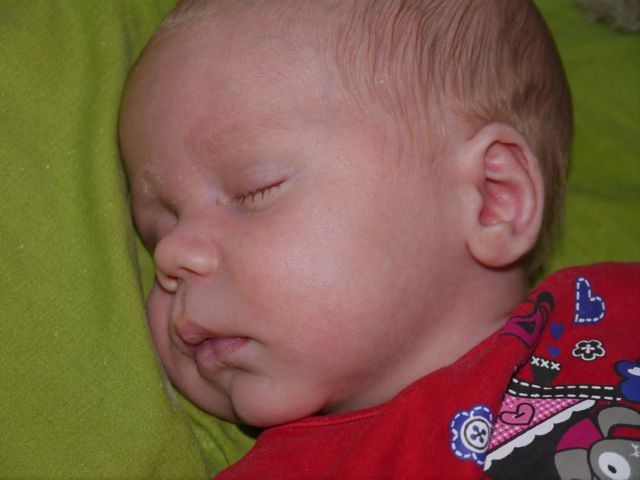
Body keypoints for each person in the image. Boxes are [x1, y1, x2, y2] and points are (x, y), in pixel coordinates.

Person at [118, 0, 640, 477]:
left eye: (255, 190)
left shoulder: (621, 310)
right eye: (157, 230)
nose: (172, 254)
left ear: (491, 197)